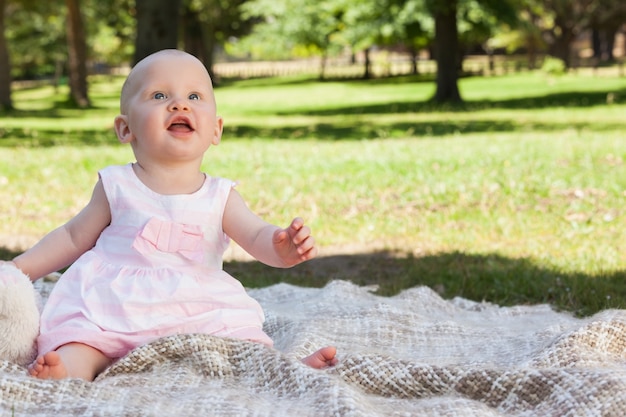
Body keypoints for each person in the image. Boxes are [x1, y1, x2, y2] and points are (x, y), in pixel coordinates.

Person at [6, 49, 337, 381]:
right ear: (125, 129)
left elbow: (255, 235)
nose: (180, 104)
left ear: (216, 130)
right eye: (159, 95)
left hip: (196, 308)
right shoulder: (117, 185)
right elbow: (71, 237)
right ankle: (71, 368)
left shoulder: (220, 195)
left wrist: (280, 247)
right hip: (115, 304)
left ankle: (278, 370)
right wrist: (17, 271)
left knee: (240, 340)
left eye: (194, 95)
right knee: (85, 339)